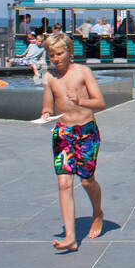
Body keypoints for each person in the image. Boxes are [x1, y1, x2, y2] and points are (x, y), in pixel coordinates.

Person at [41, 33, 106, 251]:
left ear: (69, 51)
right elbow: (48, 105)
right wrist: (45, 115)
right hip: (63, 133)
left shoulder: (82, 72)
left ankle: (97, 212)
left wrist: (81, 101)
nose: (55, 59)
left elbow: (100, 103)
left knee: (87, 181)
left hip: (86, 132)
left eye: (59, 53)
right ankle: (70, 237)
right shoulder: (49, 77)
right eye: (51, 55)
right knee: (64, 182)